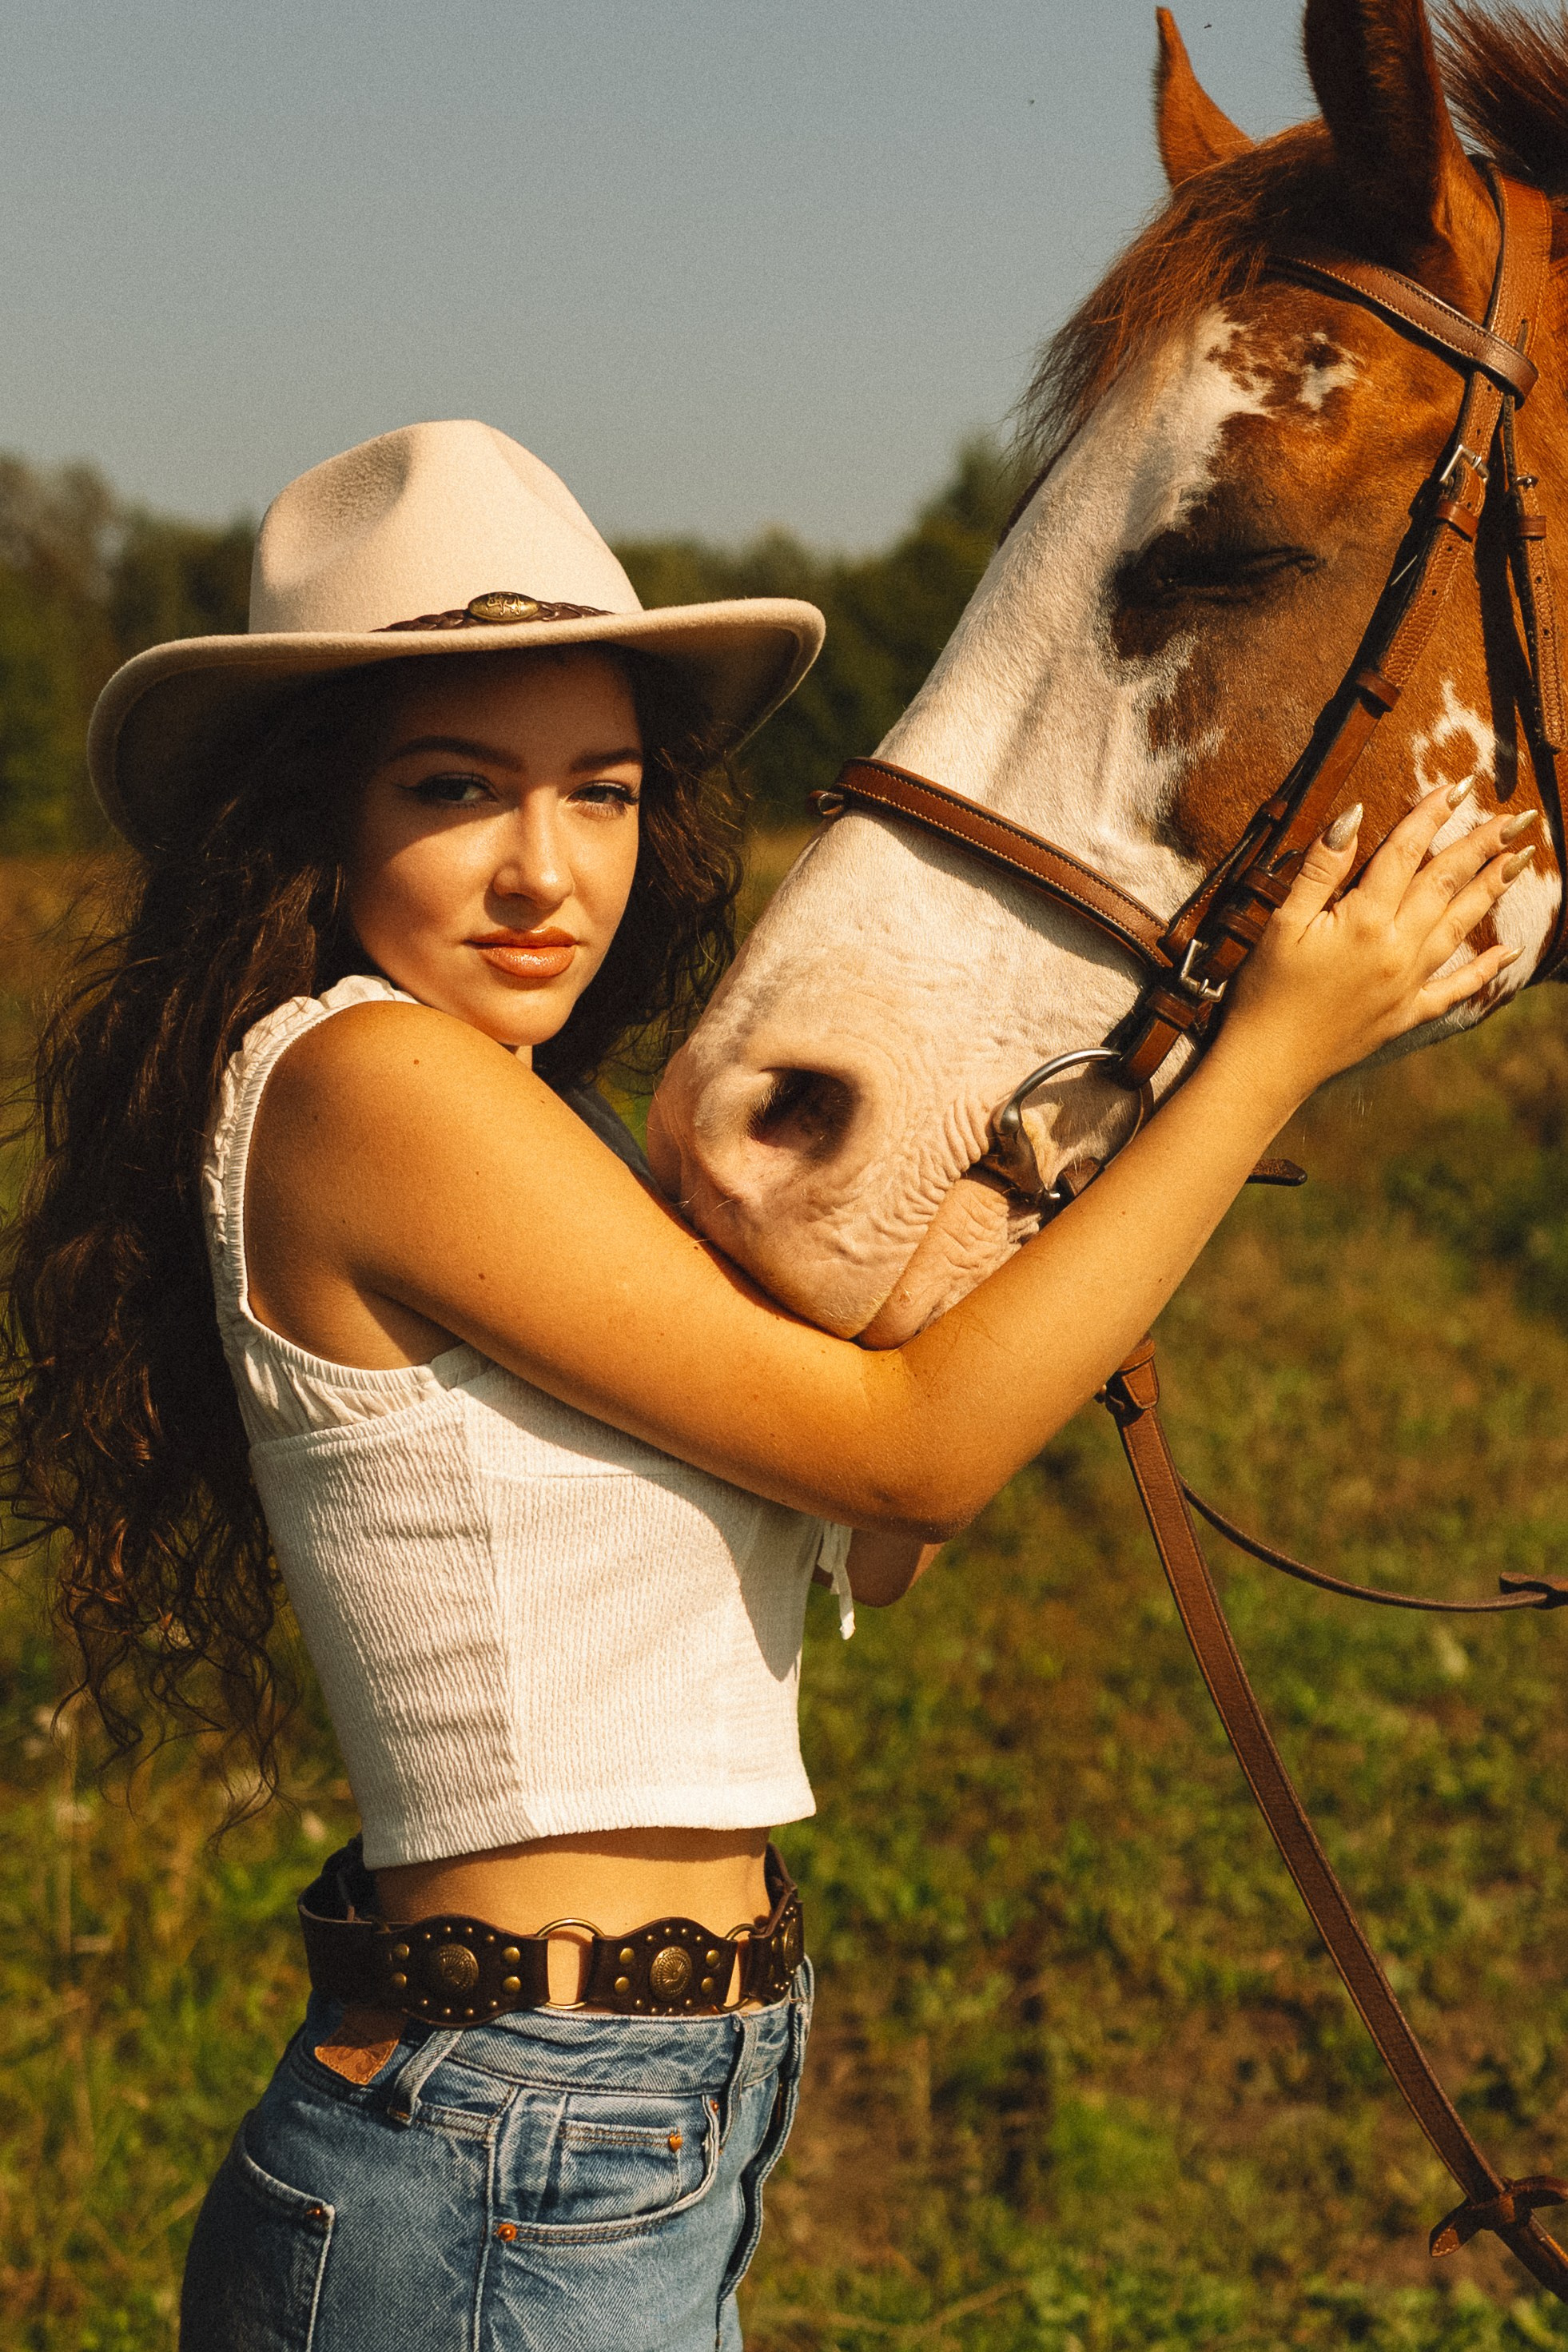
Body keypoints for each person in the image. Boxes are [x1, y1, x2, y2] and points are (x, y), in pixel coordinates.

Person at [0, 418, 1530, 2352]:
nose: (546, 869)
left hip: (610, 2117)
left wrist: (1061, 1162)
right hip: (512, 2139)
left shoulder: (546, 1127)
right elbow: (915, 1455)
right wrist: (1268, 1059)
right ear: (318, 816)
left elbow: (872, 1535)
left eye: (604, 791)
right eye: (456, 788)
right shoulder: (365, 1083)